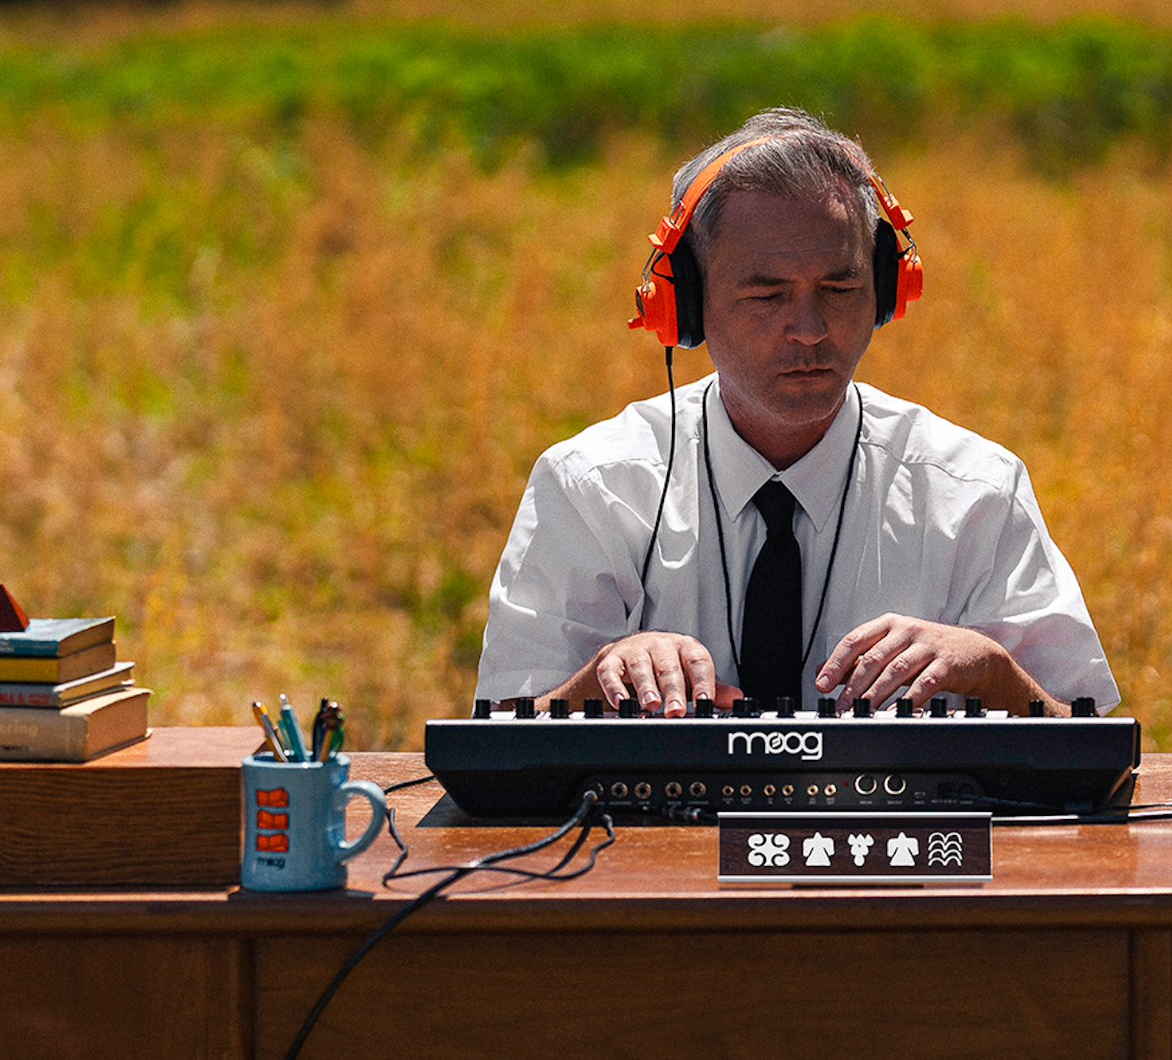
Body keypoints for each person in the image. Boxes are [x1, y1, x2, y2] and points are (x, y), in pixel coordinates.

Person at [476, 107, 1118, 718]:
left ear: (887, 291)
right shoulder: (591, 486)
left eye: (840, 289)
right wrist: (601, 676)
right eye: (767, 294)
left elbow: (1095, 748)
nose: (809, 329)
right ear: (687, 306)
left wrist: (993, 671)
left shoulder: (975, 491)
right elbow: (497, 752)